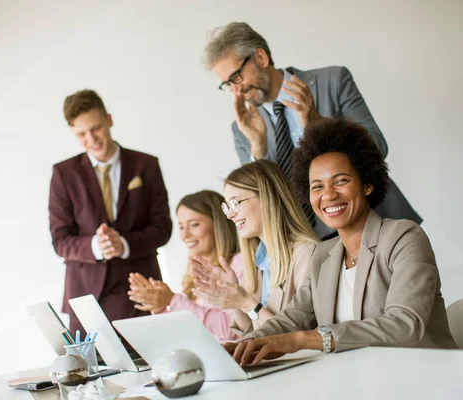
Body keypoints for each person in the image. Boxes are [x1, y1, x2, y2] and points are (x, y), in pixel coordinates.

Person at [226, 118, 457, 366]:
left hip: (423, 377)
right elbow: (293, 318)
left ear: (367, 184)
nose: (328, 195)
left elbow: (405, 324)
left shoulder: (404, 237)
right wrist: (241, 347)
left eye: (341, 181)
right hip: (358, 381)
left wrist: (304, 339)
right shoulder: (323, 255)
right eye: (317, 186)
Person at [203, 22, 421, 239]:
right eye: (227, 85)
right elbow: (255, 204)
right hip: (312, 242)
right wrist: (258, 150)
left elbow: (377, 147)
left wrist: (318, 125)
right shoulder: (242, 128)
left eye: (237, 77)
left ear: (261, 58)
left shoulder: (333, 81)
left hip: (378, 224)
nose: (236, 91)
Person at [49, 89, 172, 335]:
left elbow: (163, 228)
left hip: (139, 291)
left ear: (109, 119)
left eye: (95, 128)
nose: (91, 139)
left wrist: (124, 244)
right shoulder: (64, 174)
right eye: (81, 134)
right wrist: (96, 246)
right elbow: (60, 240)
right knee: (91, 370)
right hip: (85, 297)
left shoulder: (146, 166)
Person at [191, 160, 319, 336]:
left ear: (267, 198)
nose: (230, 214)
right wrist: (233, 299)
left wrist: (247, 303)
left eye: (236, 203)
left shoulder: (307, 254)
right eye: (227, 206)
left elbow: (298, 337)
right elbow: (249, 334)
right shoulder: (258, 262)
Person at [127, 190, 243, 341]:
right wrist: (160, 308)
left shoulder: (239, 263)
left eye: (194, 224)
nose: (185, 235)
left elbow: (232, 330)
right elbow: (188, 333)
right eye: (181, 227)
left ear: (218, 225)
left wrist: (173, 301)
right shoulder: (194, 270)